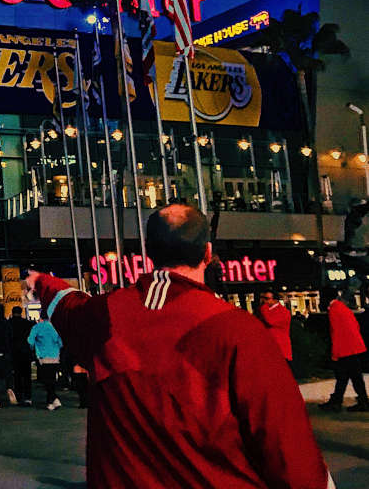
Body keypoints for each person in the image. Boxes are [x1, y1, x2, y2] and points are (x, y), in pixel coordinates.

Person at [25, 203, 331, 488]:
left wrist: (40, 281)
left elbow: (67, 305)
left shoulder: (104, 315)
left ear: (149, 252)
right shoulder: (239, 329)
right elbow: (286, 442)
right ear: (207, 253)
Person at [319, 287, 369, 412]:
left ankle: (338, 402)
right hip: (353, 346)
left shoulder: (334, 310)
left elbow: (336, 333)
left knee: (346, 376)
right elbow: (355, 326)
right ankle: (352, 401)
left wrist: (335, 353)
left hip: (345, 348)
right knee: (351, 376)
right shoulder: (343, 308)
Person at [27, 312, 62, 410]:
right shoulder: (55, 327)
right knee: (52, 379)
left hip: (43, 357)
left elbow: (30, 341)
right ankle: (53, 400)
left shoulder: (37, 327)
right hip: (55, 357)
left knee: (46, 380)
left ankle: (52, 401)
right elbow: (60, 342)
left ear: (40, 317)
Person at [257, 290, 293, 369]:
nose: (264, 301)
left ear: (275, 300)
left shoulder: (283, 312)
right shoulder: (267, 311)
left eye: (267, 298)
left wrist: (263, 307)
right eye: (263, 298)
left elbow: (270, 321)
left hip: (280, 347)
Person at [9, 306, 35, 406]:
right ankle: (28, 397)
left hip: (14, 353)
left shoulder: (9, 323)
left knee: (17, 376)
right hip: (25, 352)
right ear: (21, 312)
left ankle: (19, 397)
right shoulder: (27, 323)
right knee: (27, 376)